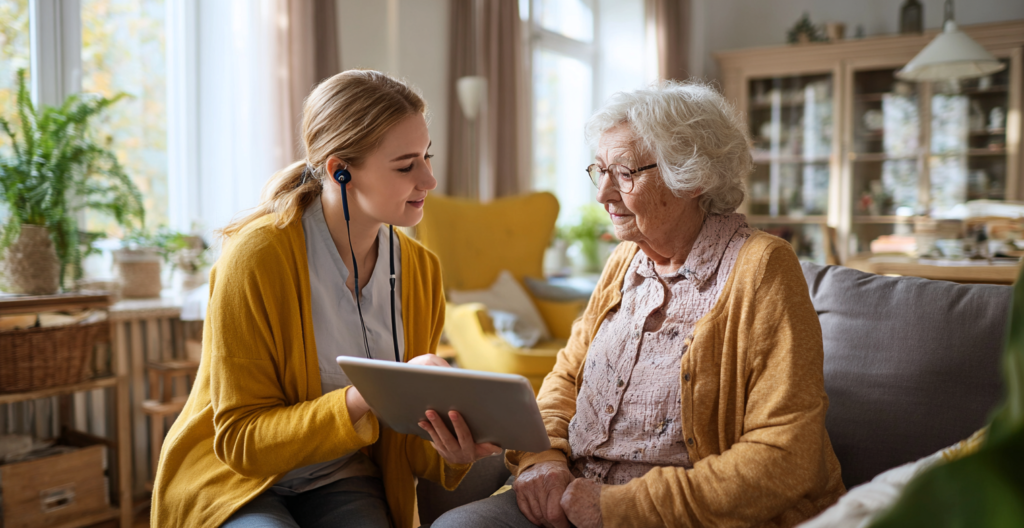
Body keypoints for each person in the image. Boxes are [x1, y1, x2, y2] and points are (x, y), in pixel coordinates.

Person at [432, 82, 845, 528]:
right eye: (600, 170)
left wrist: (619, 508)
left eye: (624, 173)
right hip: (570, 492)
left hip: (678, 514)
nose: (602, 194)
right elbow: (566, 378)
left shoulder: (761, 267)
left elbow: (787, 454)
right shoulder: (625, 260)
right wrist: (543, 458)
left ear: (693, 177)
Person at [151, 70, 501, 528]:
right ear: (341, 170)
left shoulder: (419, 270)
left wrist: (451, 447)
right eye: (405, 165)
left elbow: (405, 441)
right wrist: (367, 396)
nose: (429, 179)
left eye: (426, 156)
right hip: (236, 480)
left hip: (341, 474)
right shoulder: (257, 259)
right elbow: (241, 441)